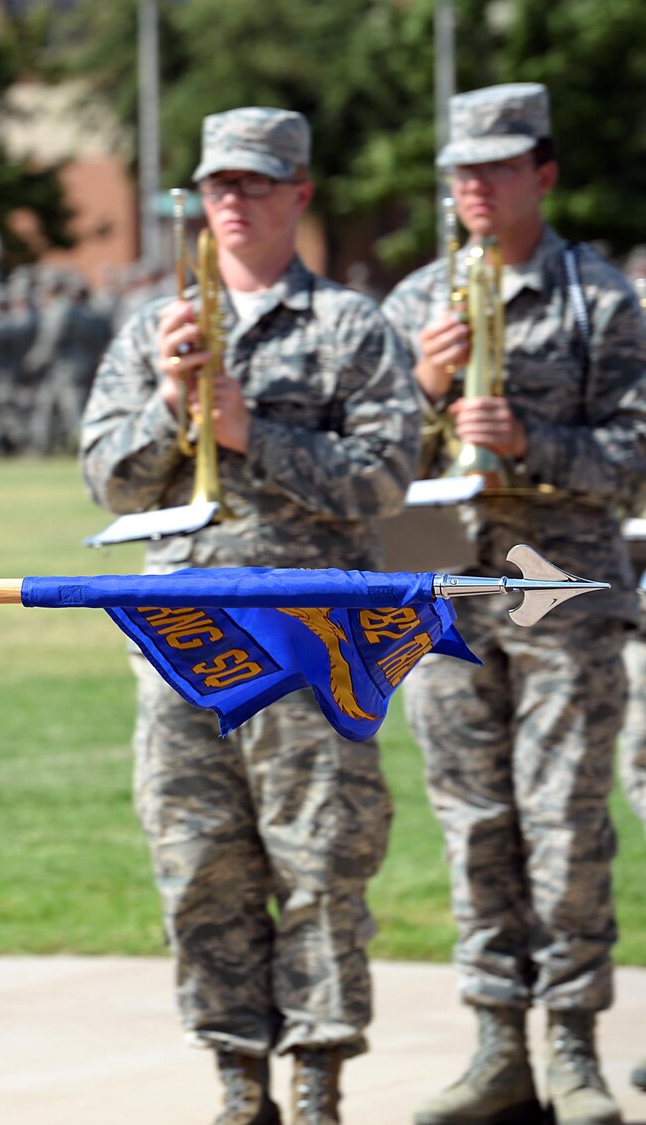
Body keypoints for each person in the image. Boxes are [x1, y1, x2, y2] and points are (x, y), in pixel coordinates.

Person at [79, 108, 419, 1125]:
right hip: (186, 642)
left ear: (298, 195)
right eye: (218, 186)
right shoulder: (155, 328)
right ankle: (236, 1079)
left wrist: (249, 433)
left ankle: (315, 1079)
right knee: (196, 864)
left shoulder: (349, 328)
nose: (234, 202)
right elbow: (105, 478)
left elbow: (386, 482)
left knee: (319, 863)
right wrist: (173, 409)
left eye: (256, 184)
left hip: (310, 640)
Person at [380, 83, 646, 1125]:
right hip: (441, 577)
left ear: (540, 173)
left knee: (563, 819)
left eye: (493, 168)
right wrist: (415, 384)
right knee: (471, 820)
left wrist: (534, 442)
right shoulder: (410, 304)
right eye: (458, 172)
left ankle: (572, 1046)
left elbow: (633, 461)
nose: (472, 189)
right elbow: (363, 470)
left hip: (557, 584)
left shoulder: (596, 299)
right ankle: (495, 1044)